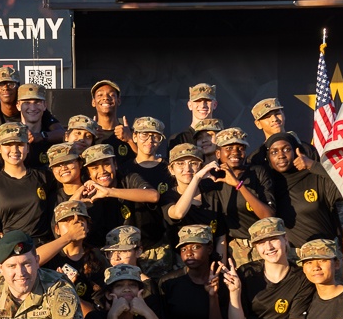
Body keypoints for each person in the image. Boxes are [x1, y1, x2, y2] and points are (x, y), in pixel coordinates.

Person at [199, 128, 276, 266]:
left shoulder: (257, 173)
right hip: (238, 250)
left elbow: (268, 216)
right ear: (218, 153)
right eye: (228, 148)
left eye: (240, 148)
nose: (235, 152)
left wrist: (238, 185)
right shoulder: (214, 180)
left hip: (266, 243)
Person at [264, 133, 343, 251]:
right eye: (274, 152)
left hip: (325, 253)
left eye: (287, 149)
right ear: (268, 157)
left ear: (296, 150)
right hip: (292, 258)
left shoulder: (315, 177)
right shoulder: (267, 185)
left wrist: (312, 165)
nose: (281, 155)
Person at [0, 122, 53, 244]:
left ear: (27, 147)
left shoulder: (44, 177)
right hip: (12, 252)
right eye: (8, 144)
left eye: (19, 144)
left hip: (43, 248)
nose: (14, 150)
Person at [122, 117, 176, 279]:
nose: (150, 141)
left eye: (155, 137)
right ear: (135, 136)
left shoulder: (169, 169)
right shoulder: (124, 169)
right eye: (145, 135)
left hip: (160, 245)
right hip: (128, 245)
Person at [77, 144, 158, 249]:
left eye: (106, 164)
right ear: (89, 173)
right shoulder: (86, 192)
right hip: (106, 253)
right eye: (95, 168)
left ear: (115, 164)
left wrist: (110, 192)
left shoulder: (129, 179)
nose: (102, 171)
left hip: (144, 248)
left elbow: (153, 196)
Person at [163, 143, 229, 260]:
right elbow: (178, 213)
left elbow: (220, 236)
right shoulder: (169, 196)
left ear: (201, 167)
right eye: (180, 164)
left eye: (193, 163)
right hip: (181, 262)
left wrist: (221, 268)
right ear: (171, 169)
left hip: (210, 260)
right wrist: (197, 178)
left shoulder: (212, 194)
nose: (187, 169)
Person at [43, 200, 105, 315]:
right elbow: (29, 260)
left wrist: (69, 291)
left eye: (80, 220)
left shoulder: (96, 259)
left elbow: (96, 313)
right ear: (57, 229)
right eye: (67, 221)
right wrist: (69, 236)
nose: (74, 226)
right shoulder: (50, 253)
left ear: (87, 228)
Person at [247, 98, 320, 171]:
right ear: (258, 124)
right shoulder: (256, 158)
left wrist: (311, 164)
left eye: (277, 113)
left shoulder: (306, 149)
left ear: (283, 115)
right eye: (267, 117)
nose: (274, 119)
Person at [16, 83, 60, 169]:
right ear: (18, 105)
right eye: (27, 102)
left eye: (37, 102)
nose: (32, 108)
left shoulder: (55, 140)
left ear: (45, 105)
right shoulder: (10, 137)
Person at [89, 80, 134, 164]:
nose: (105, 98)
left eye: (111, 94)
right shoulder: (89, 135)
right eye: (100, 95)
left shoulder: (129, 133)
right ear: (93, 102)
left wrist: (130, 140)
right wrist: (90, 139)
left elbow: (144, 161)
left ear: (118, 101)